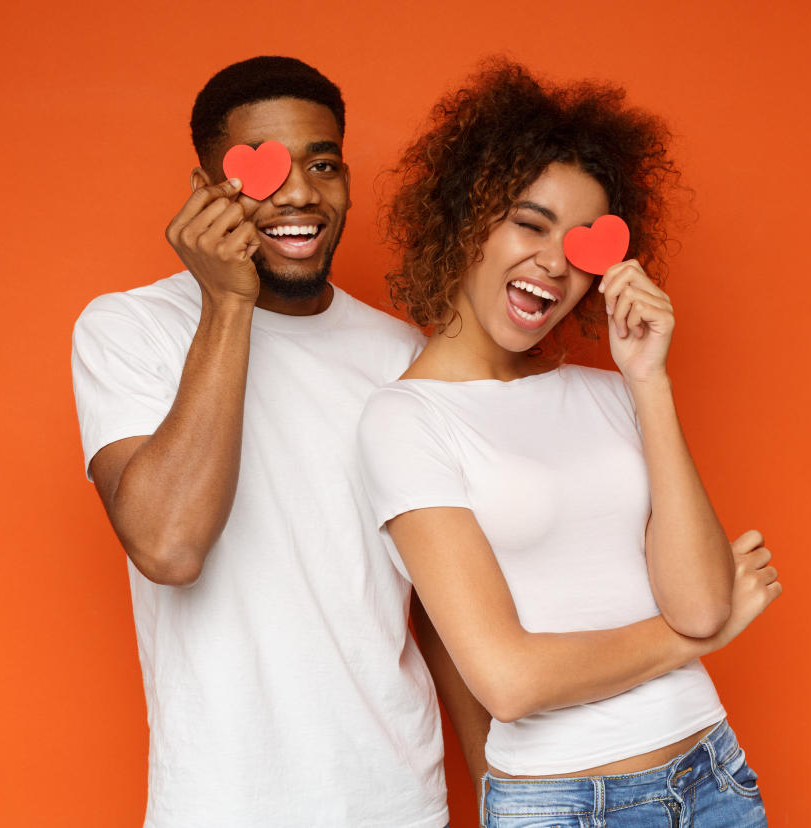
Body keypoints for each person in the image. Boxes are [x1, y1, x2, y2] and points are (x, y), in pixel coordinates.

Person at [74, 55, 774, 827]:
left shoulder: (401, 360)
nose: (300, 193)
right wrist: (229, 304)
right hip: (225, 800)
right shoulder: (130, 330)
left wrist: (496, 795)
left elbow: (442, 619)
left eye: (324, 164)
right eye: (263, 172)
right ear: (205, 187)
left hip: (397, 796)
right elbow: (169, 545)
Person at [357, 60, 781, 826]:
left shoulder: (615, 394)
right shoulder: (405, 421)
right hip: (566, 805)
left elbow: (702, 595)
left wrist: (649, 380)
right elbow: (509, 680)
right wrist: (694, 639)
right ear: (467, 219)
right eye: (531, 221)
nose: (555, 263)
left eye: (585, 245)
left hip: (713, 775)